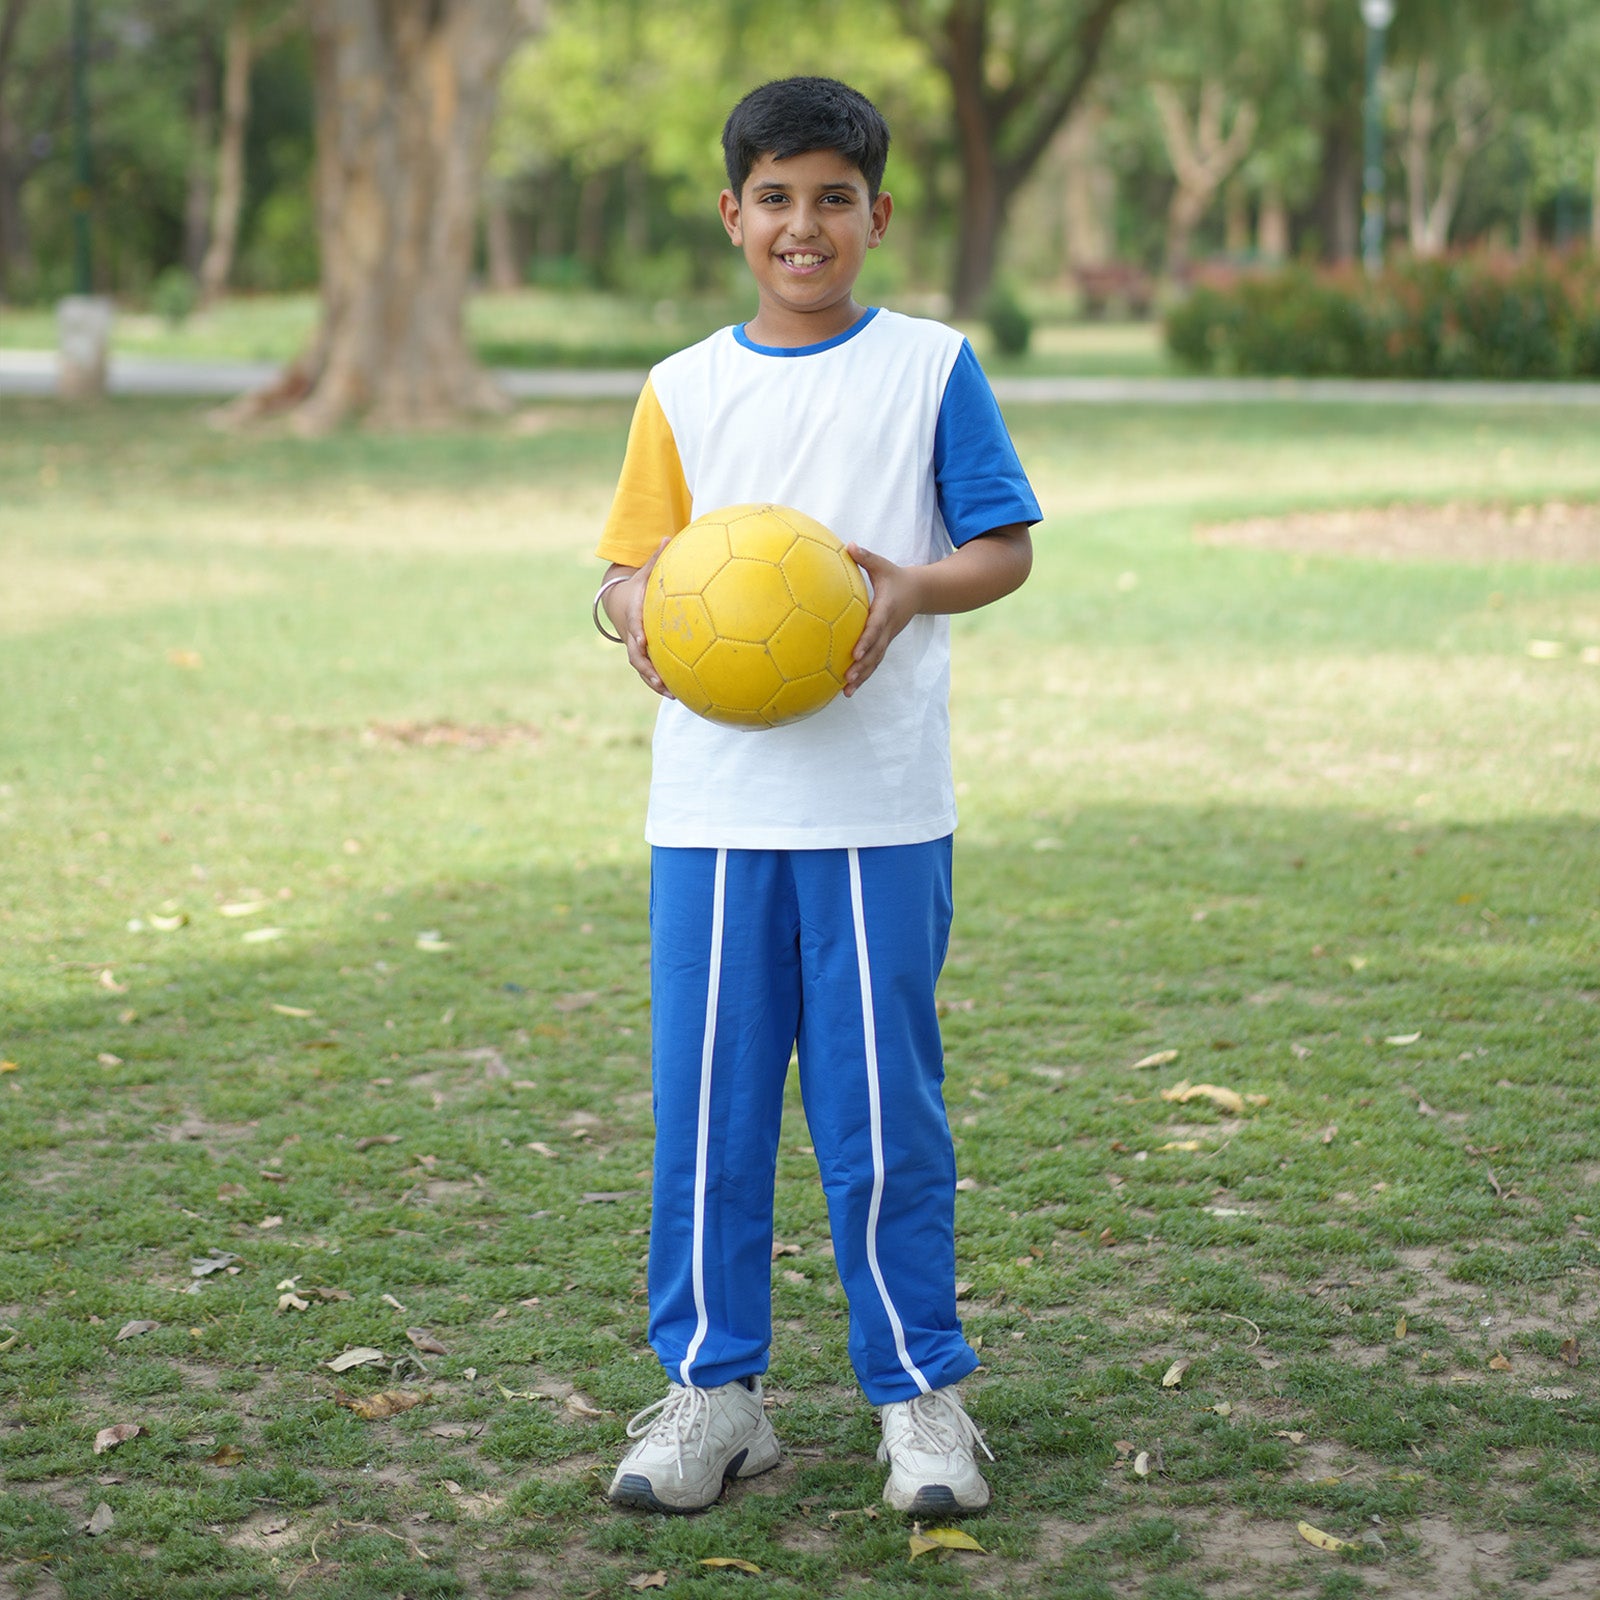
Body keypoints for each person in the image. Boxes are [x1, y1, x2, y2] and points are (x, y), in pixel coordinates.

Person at [591, 75, 1041, 1516]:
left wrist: (910, 587)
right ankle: (716, 1396)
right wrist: (636, 618)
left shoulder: (930, 365)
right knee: (708, 1114)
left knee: (880, 1122)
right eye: (775, 198)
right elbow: (621, 570)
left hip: (879, 812)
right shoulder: (683, 388)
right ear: (734, 216)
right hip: (713, 817)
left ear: (878, 214)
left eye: (833, 198)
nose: (804, 224)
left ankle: (920, 1399)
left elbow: (1005, 544)